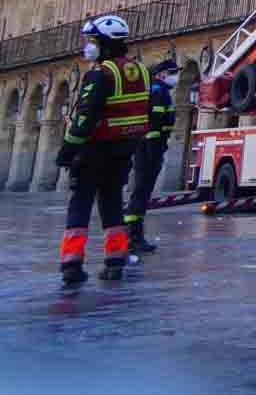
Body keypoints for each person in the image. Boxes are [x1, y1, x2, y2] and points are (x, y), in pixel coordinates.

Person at [56, 15, 151, 288]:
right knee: (111, 203)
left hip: (94, 149)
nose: (89, 47)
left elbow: (85, 118)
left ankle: (72, 264)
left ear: (106, 44)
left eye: (92, 41)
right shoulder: (142, 72)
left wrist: (67, 150)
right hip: (124, 149)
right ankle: (115, 261)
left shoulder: (100, 74)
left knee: (80, 203)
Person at [125, 57, 179, 254]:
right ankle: (133, 236)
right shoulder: (158, 92)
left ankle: (133, 234)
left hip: (149, 146)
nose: (175, 77)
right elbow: (155, 124)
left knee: (141, 191)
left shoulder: (159, 91)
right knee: (141, 191)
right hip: (150, 147)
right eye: (172, 73)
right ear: (161, 74)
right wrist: (154, 151)